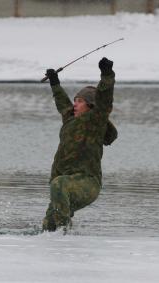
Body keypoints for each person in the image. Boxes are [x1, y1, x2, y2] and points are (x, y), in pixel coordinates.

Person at [42, 57, 117, 232]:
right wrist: (54, 82)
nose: (75, 104)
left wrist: (107, 74)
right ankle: (57, 242)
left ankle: (65, 235)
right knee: (48, 225)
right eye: (75, 100)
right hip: (65, 185)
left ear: (91, 106)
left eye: (80, 101)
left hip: (87, 184)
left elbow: (105, 99)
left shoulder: (95, 122)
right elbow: (62, 102)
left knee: (58, 184)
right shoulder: (69, 119)